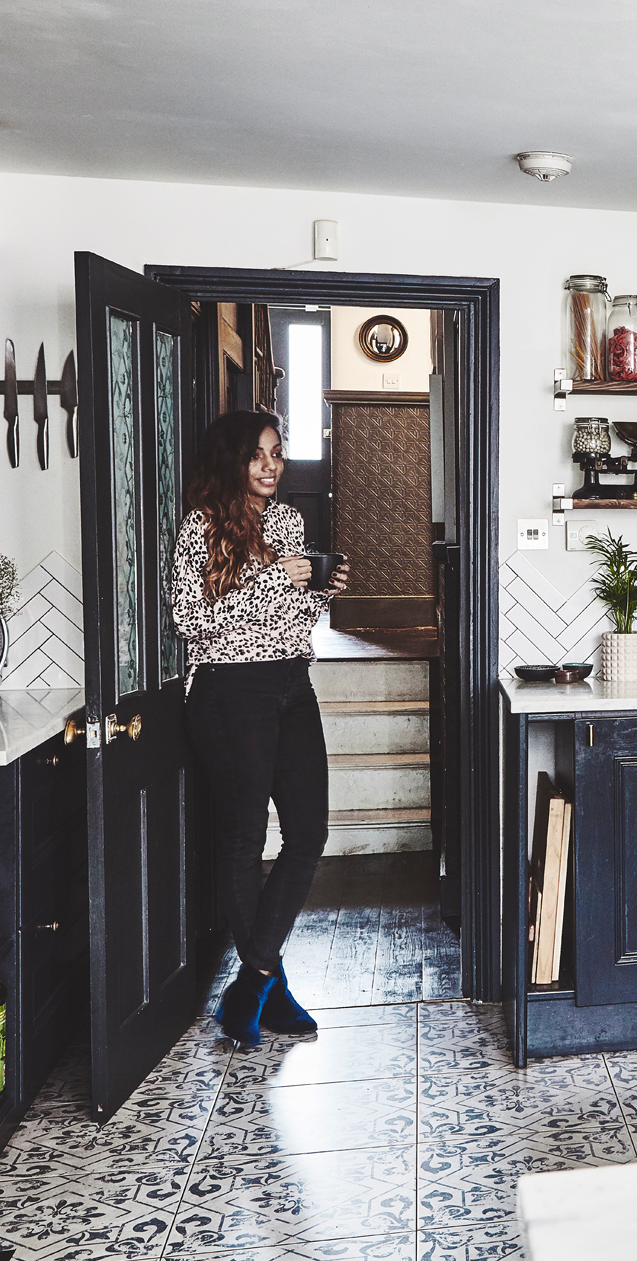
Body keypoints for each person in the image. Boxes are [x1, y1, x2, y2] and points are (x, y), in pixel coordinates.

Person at [170, 410, 350, 1048]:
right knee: (245, 841)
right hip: (228, 690)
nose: (272, 466)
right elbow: (192, 619)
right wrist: (275, 578)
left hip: (289, 683)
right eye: (258, 456)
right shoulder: (201, 529)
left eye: (277, 453)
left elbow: (289, 616)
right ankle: (270, 987)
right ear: (232, 461)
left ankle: (254, 981)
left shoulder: (287, 522)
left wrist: (322, 590)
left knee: (309, 832)